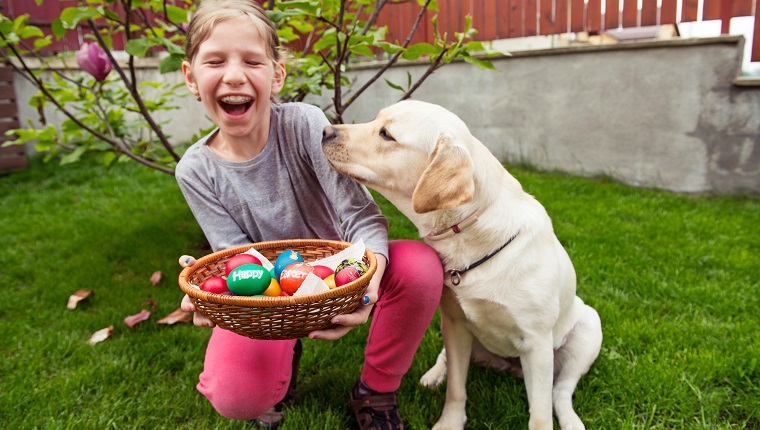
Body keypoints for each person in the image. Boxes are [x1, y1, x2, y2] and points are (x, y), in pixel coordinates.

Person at [175, 1, 443, 429]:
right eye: (214, 61)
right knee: (236, 396)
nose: (233, 75)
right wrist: (217, 292)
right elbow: (237, 258)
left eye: (252, 60)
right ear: (191, 77)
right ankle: (280, 360)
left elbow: (362, 217)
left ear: (277, 75)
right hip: (272, 295)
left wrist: (368, 281)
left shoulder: (304, 125)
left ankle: (374, 391)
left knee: (421, 268)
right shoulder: (195, 170)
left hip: (343, 271)